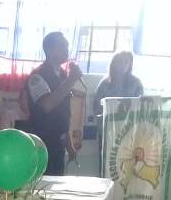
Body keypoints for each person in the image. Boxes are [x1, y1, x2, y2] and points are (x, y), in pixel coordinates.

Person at [25, 31, 84, 176]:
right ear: (49, 50)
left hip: (59, 143)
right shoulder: (37, 76)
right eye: (62, 45)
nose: (66, 49)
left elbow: (63, 113)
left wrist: (69, 144)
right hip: (42, 143)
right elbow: (47, 105)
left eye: (67, 45)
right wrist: (71, 80)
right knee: (43, 184)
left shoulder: (63, 75)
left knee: (57, 184)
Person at [93, 51, 144, 117]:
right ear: (114, 63)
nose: (123, 64)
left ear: (130, 64)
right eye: (120, 61)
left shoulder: (136, 83)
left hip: (130, 120)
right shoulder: (105, 83)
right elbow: (97, 109)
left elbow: (140, 107)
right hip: (108, 120)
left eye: (126, 62)